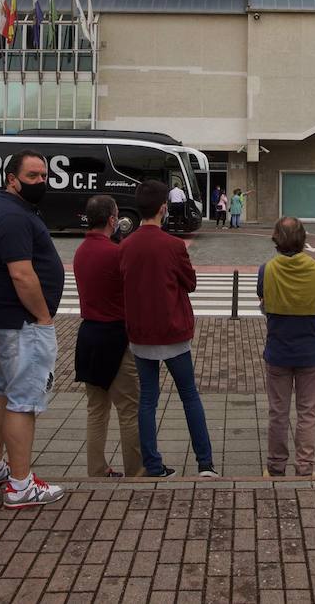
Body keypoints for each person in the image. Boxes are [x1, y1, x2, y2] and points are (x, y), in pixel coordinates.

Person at [0, 151, 66, 508]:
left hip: (7, 318)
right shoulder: (13, 216)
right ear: (11, 178)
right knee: (23, 401)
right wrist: (43, 317)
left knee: (0, 390)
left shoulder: (6, 209)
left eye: (44, 175)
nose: (41, 181)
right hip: (22, 321)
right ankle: (20, 484)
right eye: (32, 176)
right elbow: (21, 273)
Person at [123, 180, 217, 478]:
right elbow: (190, 283)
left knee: (147, 399)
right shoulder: (174, 246)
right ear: (164, 207)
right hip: (173, 331)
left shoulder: (125, 246)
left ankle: (152, 464)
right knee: (189, 395)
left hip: (140, 332)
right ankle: (205, 464)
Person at [72, 195, 143, 479]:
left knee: (96, 409)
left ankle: (96, 470)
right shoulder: (116, 253)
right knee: (129, 409)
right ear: (113, 220)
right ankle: (136, 471)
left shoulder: (81, 251)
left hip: (88, 334)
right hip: (115, 335)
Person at [256, 216, 315, 476]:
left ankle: (275, 466)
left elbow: (263, 302)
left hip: (278, 349)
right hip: (309, 349)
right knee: (307, 413)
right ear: (303, 238)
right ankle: (306, 467)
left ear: (276, 238)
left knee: (278, 411)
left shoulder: (268, 269)